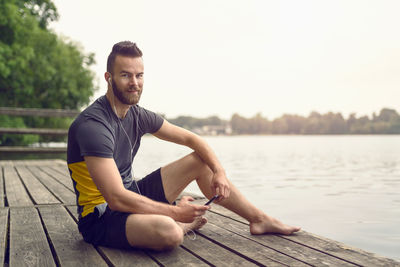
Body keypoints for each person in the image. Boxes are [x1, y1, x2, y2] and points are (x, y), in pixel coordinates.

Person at [67, 41, 300, 251]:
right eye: (126, 75)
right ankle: (183, 226)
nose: (134, 83)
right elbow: (116, 198)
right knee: (169, 232)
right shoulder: (93, 125)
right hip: (101, 217)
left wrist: (219, 172)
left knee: (201, 161)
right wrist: (176, 212)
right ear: (109, 77)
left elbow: (193, 140)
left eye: (139, 75)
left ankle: (258, 219)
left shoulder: (137, 115)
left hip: (132, 195)